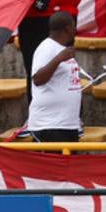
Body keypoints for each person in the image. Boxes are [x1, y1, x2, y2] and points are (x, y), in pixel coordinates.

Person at [24, 11, 83, 141]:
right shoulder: (46, 48)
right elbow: (38, 79)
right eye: (73, 26)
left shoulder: (62, 48)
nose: (75, 29)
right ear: (67, 28)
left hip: (67, 124)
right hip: (49, 125)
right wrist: (58, 59)